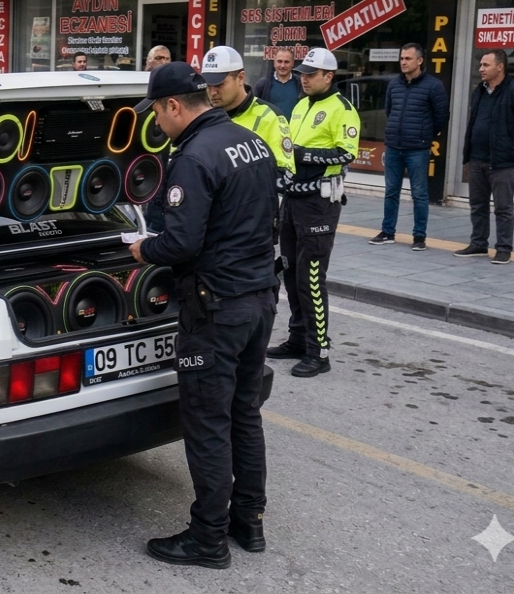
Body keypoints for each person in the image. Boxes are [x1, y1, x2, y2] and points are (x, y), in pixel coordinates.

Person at [128, 62, 278, 569]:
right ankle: (248, 522)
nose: (156, 124)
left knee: (209, 423)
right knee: (243, 413)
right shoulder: (248, 139)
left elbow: (181, 242)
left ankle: (207, 538)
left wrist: (142, 249)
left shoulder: (192, 156)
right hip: (259, 298)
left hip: (216, 309)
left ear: (174, 106)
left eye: (157, 114)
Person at [266, 48, 360, 378]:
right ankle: (298, 338)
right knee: (290, 274)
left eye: (310, 74)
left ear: (329, 76)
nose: (302, 79)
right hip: (292, 199)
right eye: (301, 74)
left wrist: (303, 155)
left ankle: (319, 351)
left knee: (311, 279)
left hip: (320, 204)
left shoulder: (342, 109)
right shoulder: (302, 104)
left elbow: (346, 153)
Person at [455, 49, 514, 264]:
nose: (481, 69)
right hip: (477, 158)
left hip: (502, 161)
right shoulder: (479, 91)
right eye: (481, 65)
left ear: (500, 67)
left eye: (486, 65)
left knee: (503, 207)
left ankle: (503, 248)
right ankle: (479, 244)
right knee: (477, 204)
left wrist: (512, 146)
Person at [371, 44, 449, 250]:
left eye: (408, 58)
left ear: (420, 61)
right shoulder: (394, 84)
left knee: (419, 193)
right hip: (394, 146)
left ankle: (419, 237)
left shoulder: (433, 86)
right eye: (402, 58)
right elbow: (390, 110)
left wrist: (425, 136)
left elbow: (442, 116)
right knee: (391, 191)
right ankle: (388, 231)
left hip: (418, 148)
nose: (403, 62)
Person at [201, 45, 294, 181]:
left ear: (240, 78)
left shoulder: (270, 117)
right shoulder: (202, 115)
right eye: (208, 85)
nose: (213, 92)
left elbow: (285, 175)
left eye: (219, 84)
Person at [254, 49, 301, 119]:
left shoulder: (301, 83)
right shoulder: (262, 84)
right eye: (279, 61)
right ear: (274, 63)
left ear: (292, 63)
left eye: (286, 62)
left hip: (294, 128)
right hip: (270, 128)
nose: (282, 65)